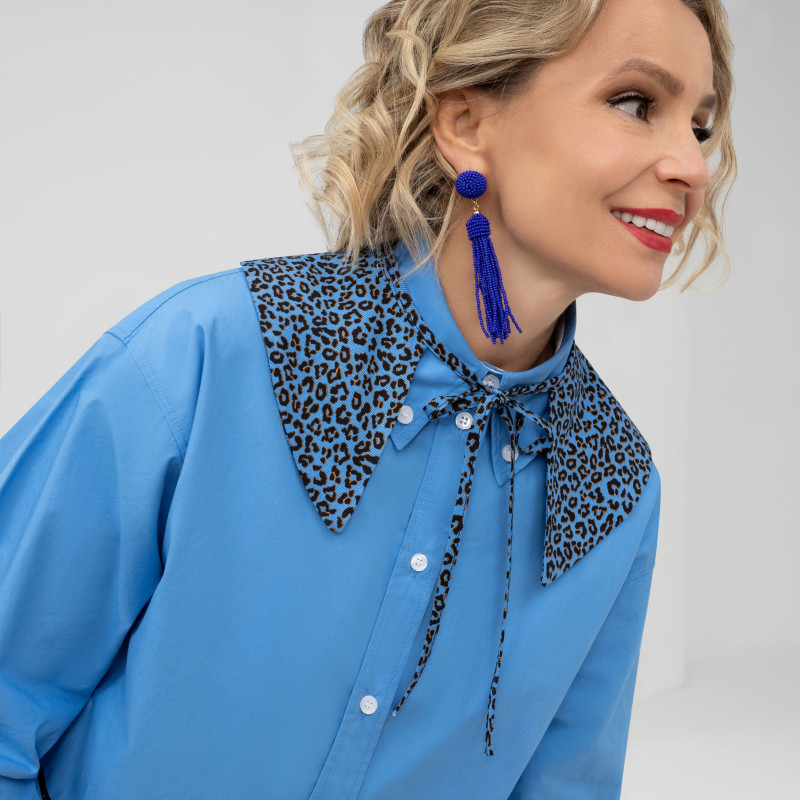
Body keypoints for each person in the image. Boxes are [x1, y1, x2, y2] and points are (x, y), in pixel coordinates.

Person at [0, 0, 736, 797]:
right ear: (465, 123)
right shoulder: (207, 358)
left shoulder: (615, 488)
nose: (692, 168)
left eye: (699, 127)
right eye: (635, 103)